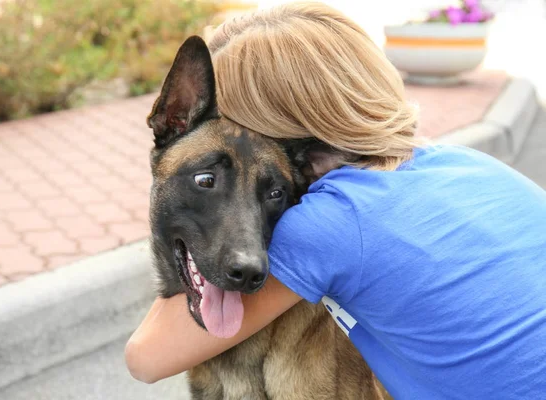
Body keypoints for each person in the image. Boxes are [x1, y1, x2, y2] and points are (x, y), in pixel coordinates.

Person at [125, 2, 546, 399]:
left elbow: (145, 358)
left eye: (232, 107)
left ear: (277, 122)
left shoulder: (333, 219)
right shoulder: (463, 162)